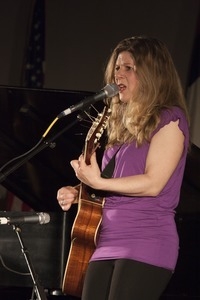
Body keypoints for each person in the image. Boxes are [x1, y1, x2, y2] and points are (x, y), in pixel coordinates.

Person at [57, 36, 190, 300]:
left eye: (128, 67)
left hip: (147, 240)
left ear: (151, 74)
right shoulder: (122, 131)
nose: (119, 74)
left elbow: (153, 184)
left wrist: (98, 183)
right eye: (117, 68)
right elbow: (109, 181)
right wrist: (77, 190)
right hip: (105, 241)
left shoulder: (170, 120)